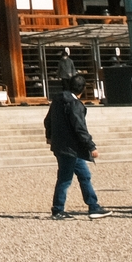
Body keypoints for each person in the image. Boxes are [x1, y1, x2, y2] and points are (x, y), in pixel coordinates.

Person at [43, 76, 108, 219]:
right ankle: (58, 209)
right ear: (82, 89)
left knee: (85, 175)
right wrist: (91, 146)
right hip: (70, 147)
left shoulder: (57, 101)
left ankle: (93, 206)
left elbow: (47, 120)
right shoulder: (74, 104)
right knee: (65, 178)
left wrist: (49, 135)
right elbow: (79, 127)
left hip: (62, 145)